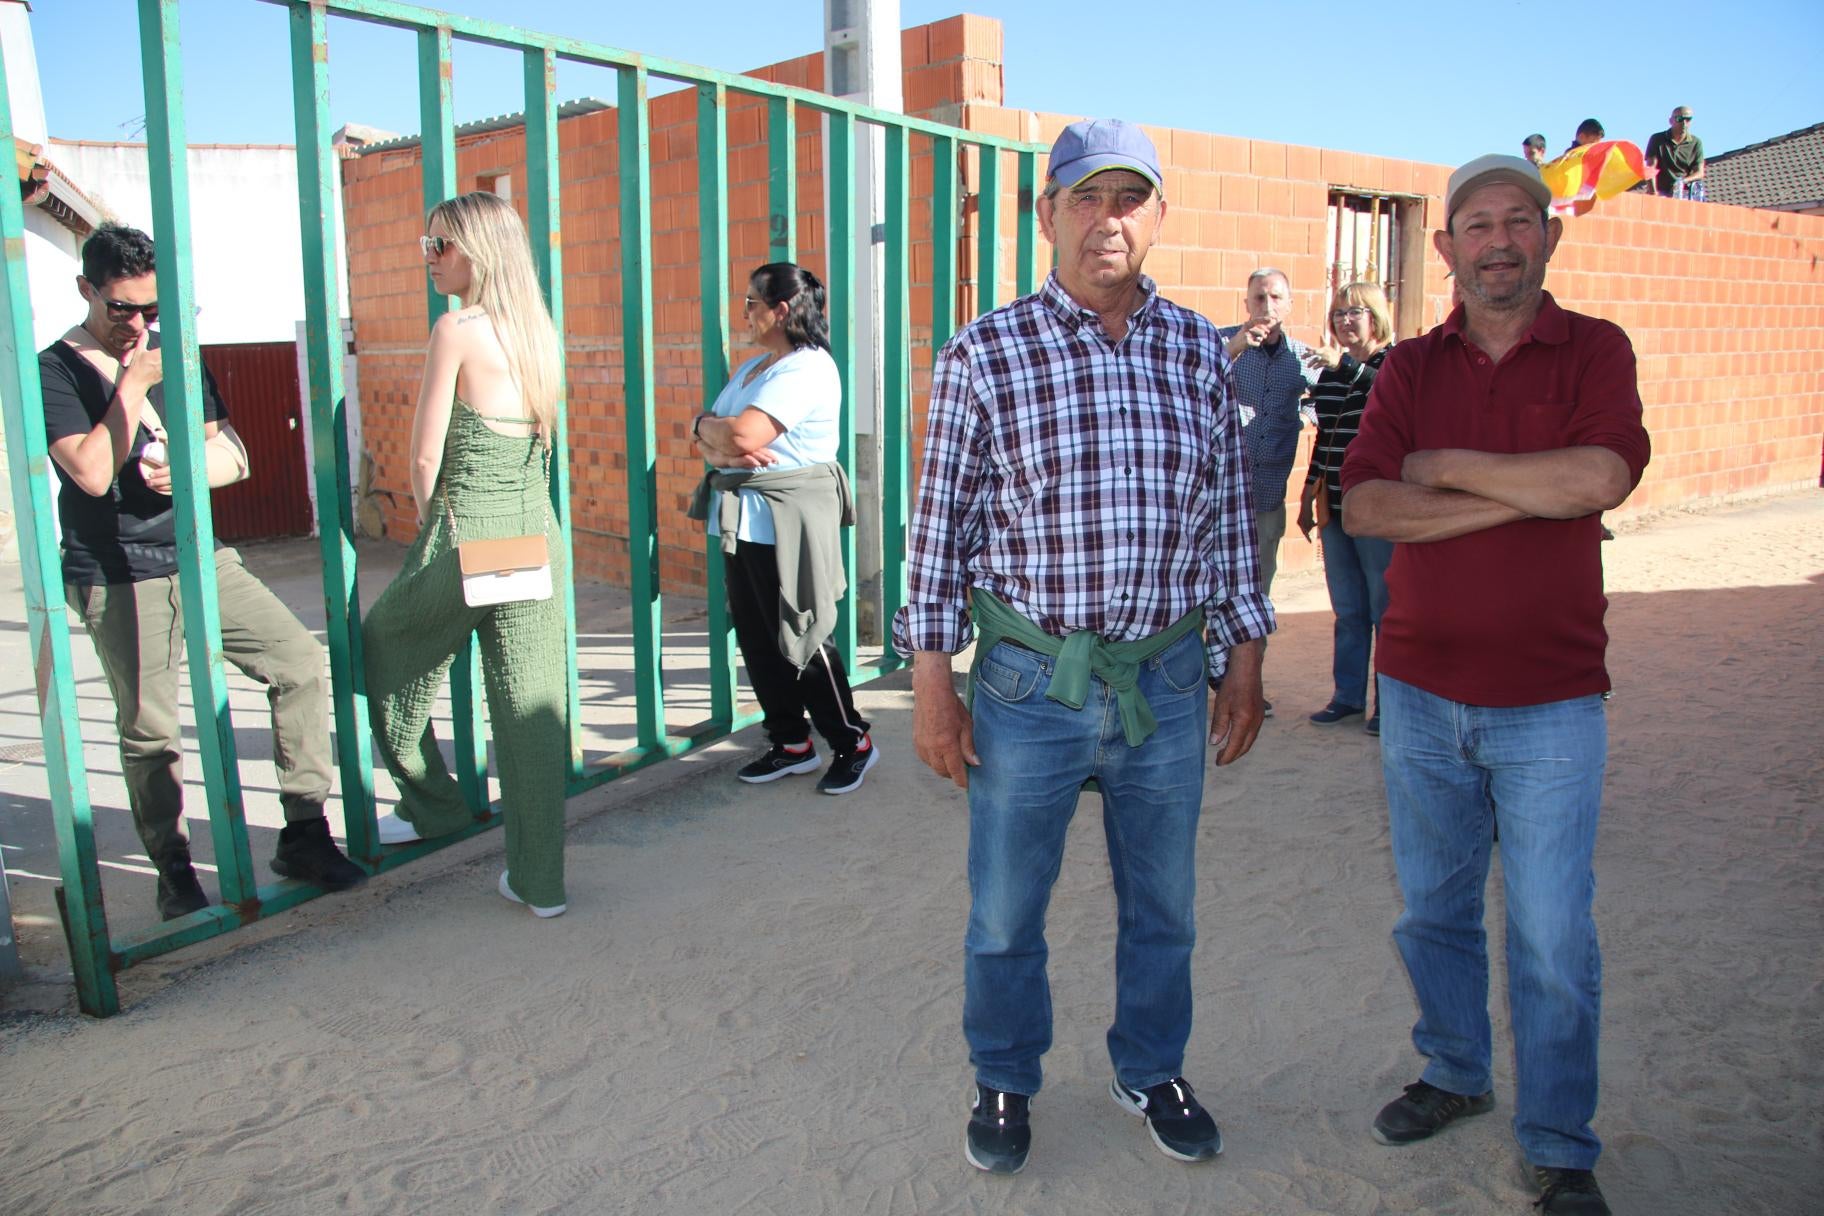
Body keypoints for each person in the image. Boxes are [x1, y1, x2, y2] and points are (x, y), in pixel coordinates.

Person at [894, 118, 1271, 1176]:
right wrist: (935, 688)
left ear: (1158, 216)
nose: (1109, 220)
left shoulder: (1202, 351)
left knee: (1166, 903)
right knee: (1008, 907)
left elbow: (1222, 520)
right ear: (1046, 213)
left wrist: (1242, 656)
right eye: (1087, 198)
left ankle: (1152, 1066)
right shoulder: (985, 353)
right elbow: (939, 535)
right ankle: (1005, 1078)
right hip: (1028, 685)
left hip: (1161, 678)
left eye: (1130, 199)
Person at [1339, 153, 1650, 1216]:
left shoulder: (1595, 350)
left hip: (1553, 702)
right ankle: (1457, 1072)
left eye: (1521, 220)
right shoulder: (1411, 368)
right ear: (1448, 248)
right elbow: (1368, 507)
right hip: (1421, 693)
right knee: (1433, 912)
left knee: (1554, 932)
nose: (1501, 240)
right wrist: (1529, 495)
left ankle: (1560, 1141)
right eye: (1479, 224)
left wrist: (1446, 468)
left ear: (1550, 237)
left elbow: (1602, 477)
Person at [41, 224, 366, 919]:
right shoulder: (55, 370)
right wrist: (132, 385)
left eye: (152, 312)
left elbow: (233, 455)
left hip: (199, 554)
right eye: (121, 308)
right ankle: (174, 871)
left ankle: (305, 833)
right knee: (150, 730)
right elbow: (93, 474)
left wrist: (186, 468)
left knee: (301, 664)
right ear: (86, 291)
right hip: (115, 569)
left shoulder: (175, 356)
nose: (137, 325)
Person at [363, 191, 571, 918]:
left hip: (470, 535)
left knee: (383, 650)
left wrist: (431, 536)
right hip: (536, 539)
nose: (429, 259)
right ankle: (541, 883)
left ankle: (436, 808)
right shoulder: (537, 331)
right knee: (529, 709)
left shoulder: (456, 328)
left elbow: (424, 460)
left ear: (477, 251)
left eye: (440, 247)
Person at [686, 262, 876, 796]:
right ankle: (791, 742)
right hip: (747, 519)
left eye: (751, 302)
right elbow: (712, 437)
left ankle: (853, 740)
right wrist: (710, 431)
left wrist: (723, 434)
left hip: (790, 518)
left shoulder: (808, 368)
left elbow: (743, 435)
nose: (744, 312)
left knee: (805, 629)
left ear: (782, 309)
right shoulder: (756, 368)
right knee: (757, 636)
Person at [1296, 282, 1396, 734]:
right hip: (1334, 504)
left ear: (1376, 316)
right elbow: (1324, 438)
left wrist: (1349, 367)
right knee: (1349, 609)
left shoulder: (1394, 362)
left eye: (1355, 312)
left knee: (1385, 609)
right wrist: (1306, 496)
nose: (1345, 321)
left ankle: (1389, 705)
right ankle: (1348, 696)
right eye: (1338, 313)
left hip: (1376, 504)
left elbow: (1390, 398)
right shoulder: (1333, 371)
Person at [1216, 268, 1316, 714]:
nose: (1267, 307)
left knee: (1255, 599)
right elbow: (1182, 378)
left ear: (1289, 305)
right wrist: (1235, 347)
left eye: (1276, 297)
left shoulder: (1301, 359)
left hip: (1265, 499)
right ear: (1246, 303)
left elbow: (1331, 395)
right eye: (1259, 297)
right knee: (1197, 598)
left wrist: (1306, 418)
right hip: (1212, 501)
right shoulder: (1220, 343)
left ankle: (1245, 687)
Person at [1644, 106, 1704, 198]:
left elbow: (1699, 172)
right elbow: (1650, 168)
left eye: (1688, 119)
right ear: (1671, 121)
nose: (1684, 123)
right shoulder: (1657, 139)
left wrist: (1682, 182)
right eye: (1679, 119)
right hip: (1660, 192)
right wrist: (1653, 193)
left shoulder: (1696, 143)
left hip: (1682, 194)